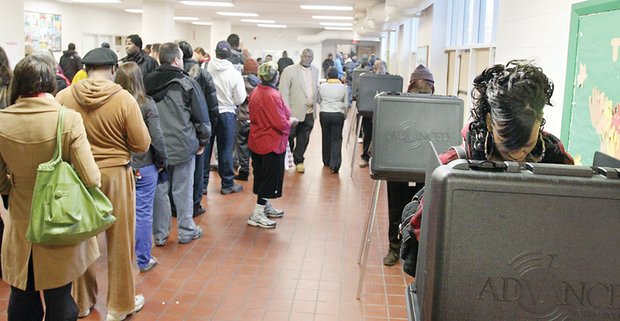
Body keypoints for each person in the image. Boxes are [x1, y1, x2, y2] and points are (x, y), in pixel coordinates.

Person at [408, 60, 574, 268]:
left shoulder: (556, 158)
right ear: (489, 122)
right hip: (472, 270)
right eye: (508, 143)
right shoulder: (455, 165)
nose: (518, 153)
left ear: (540, 121)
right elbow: (422, 229)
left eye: (527, 144)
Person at [0, 53, 101, 321]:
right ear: (49, 83)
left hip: (21, 220)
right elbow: (91, 177)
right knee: (60, 299)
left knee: (22, 295)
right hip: (60, 220)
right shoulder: (67, 119)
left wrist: (14, 188)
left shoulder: (2, 120)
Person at [56, 47, 151, 321]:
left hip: (78, 175)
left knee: (81, 238)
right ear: (112, 69)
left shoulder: (64, 97)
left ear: (85, 69)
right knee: (120, 240)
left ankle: (82, 302)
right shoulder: (123, 99)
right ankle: (120, 305)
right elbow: (142, 143)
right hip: (116, 175)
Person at [143, 42, 210, 246]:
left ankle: (160, 235)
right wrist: (203, 141)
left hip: (154, 147)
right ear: (176, 59)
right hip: (183, 146)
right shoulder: (187, 83)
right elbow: (201, 117)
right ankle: (186, 230)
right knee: (182, 189)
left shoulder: (145, 82)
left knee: (160, 191)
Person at [114, 62, 167, 273]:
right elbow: (157, 137)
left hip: (118, 165)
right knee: (143, 212)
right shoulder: (146, 104)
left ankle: (119, 259)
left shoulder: (111, 104)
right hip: (144, 165)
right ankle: (143, 259)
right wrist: (162, 161)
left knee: (118, 212)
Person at [383, 64, 434, 266]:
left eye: (426, 93)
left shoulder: (438, 111)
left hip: (424, 169)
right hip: (398, 168)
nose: (421, 96)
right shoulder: (397, 107)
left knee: (421, 212)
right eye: (418, 92)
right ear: (410, 89)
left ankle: (415, 251)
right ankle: (393, 248)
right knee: (396, 210)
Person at [247, 61, 296, 229]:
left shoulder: (256, 92)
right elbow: (280, 122)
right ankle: (258, 212)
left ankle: (264, 205)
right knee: (269, 178)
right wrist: (291, 122)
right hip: (271, 142)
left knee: (261, 175)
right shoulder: (272, 96)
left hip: (257, 140)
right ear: (276, 77)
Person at [178, 40, 219, 216]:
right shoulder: (202, 74)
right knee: (198, 167)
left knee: (178, 170)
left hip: (177, 127)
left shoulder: (172, 75)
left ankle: (176, 206)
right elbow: (211, 104)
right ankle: (195, 204)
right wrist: (210, 128)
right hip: (198, 126)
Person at [206, 40, 246, 194]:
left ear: (215, 53)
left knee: (206, 149)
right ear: (229, 54)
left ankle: (202, 185)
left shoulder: (207, 68)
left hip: (209, 112)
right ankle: (227, 184)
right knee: (226, 149)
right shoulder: (234, 74)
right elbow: (240, 99)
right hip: (227, 113)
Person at [279, 48, 319, 173]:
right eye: (305, 56)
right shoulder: (289, 70)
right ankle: (285, 159)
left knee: (304, 137)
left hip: (309, 111)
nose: (307, 59)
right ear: (300, 56)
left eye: (309, 57)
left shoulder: (316, 71)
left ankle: (299, 160)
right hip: (292, 112)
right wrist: (285, 111)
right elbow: (283, 91)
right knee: (289, 136)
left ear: (313, 58)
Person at [318, 66, 349, 174]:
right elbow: (346, 104)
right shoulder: (343, 87)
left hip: (324, 114)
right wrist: (345, 114)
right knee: (336, 139)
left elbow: (318, 100)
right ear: (338, 76)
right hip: (337, 114)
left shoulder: (322, 87)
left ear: (327, 75)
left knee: (326, 137)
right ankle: (334, 165)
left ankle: (326, 161)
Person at [235, 58, 260, 181]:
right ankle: (257, 170)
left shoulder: (240, 81)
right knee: (256, 146)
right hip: (256, 120)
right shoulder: (260, 84)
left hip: (242, 118)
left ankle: (244, 171)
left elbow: (236, 99)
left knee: (242, 145)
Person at [360, 60, 388, 168]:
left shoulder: (391, 79)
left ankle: (381, 158)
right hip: (369, 112)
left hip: (385, 113)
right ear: (374, 69)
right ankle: (365, 157)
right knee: (367, 134)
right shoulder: (367, 78)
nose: (380, 72)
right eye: (378, 69)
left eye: (382, 69)